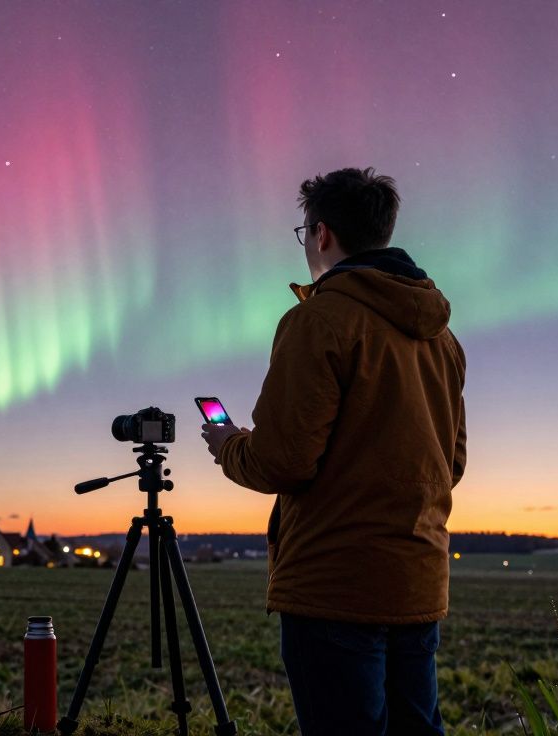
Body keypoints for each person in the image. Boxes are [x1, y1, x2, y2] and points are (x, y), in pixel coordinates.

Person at [200, 167, 466, 736]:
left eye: (303, 235)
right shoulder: (442, 339)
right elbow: (452, 463)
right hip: (417, 581)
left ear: (321, 235)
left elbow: (283, 460)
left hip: (334, 587)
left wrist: (228, 446)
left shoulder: (318, 321)